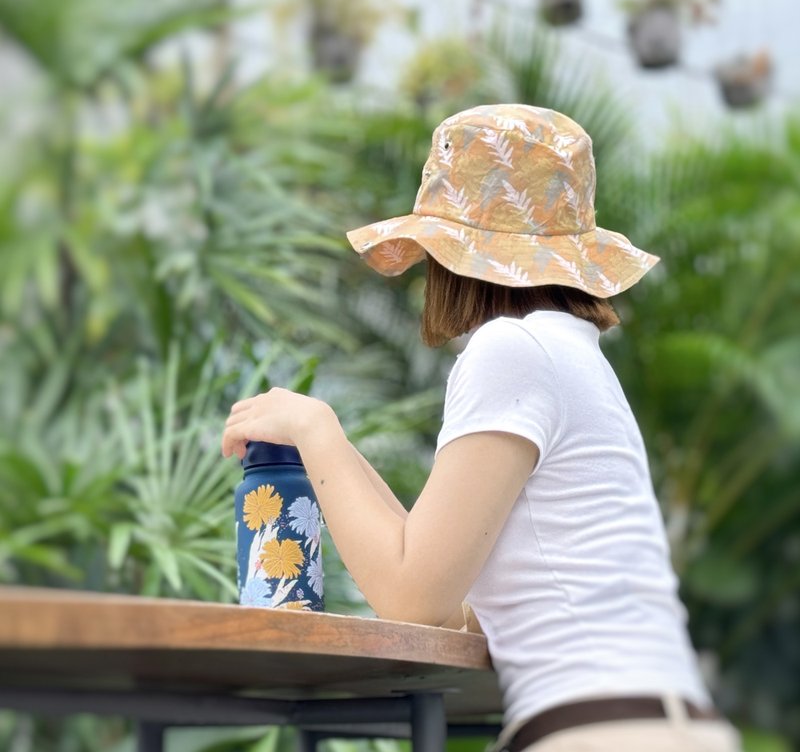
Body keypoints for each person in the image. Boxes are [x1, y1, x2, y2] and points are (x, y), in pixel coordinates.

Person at [222, 104, 743, 751]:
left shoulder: (512, 350)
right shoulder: (570, 355)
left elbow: (410, 598)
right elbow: (439, 596)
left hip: (597, 731)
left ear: (458, 257)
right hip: (653, 724)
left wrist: (315, 425)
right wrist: (331, 449)